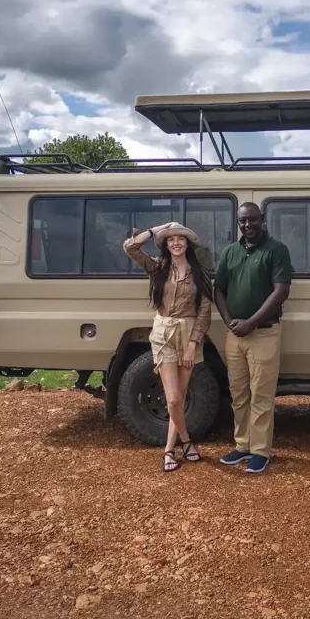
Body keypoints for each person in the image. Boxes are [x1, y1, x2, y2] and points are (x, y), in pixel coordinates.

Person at [123, 222, 213, 472]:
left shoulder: (199, 272)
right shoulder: (158, 267)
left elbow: (205, 311)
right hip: (163, 332)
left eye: (180, 239)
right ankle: (185, 441)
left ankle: (169, 450)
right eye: (171, 239)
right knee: (172, 399)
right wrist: (155, 230)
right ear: (166, 244)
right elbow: (130, 247)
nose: (176, 243)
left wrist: (193, 344)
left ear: (188, 244)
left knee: (181, 397)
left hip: (188, 334)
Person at [214, 202, 293, 474]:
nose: (248, 225)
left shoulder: (276, 250)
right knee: (238, 395)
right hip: (235, 335)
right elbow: (219, 291)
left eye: (252, 220)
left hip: (264, 333)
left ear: (263, 219)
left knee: (261, 395)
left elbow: (280, 291)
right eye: (243, 221)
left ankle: (260, 450)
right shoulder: (230, 252)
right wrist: (230, 322)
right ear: (238, 223)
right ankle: (242, 445)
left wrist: (251, 322)